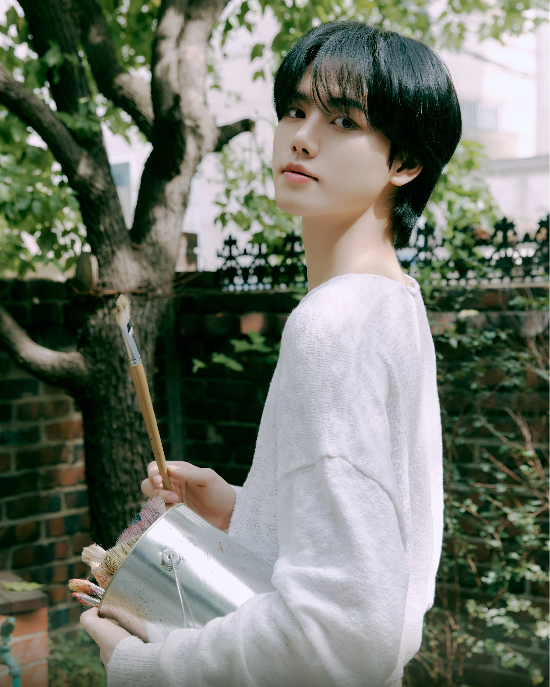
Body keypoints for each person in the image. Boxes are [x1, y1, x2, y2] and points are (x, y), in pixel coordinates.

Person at [80, 20, 462, 687]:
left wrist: (143, 666)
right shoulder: (394, 302)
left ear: (404, 163)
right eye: (294, 109)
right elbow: (374, 551)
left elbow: (343, 634)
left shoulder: (335, 322)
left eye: (343, 120)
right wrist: (241, 509)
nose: (302, 136)